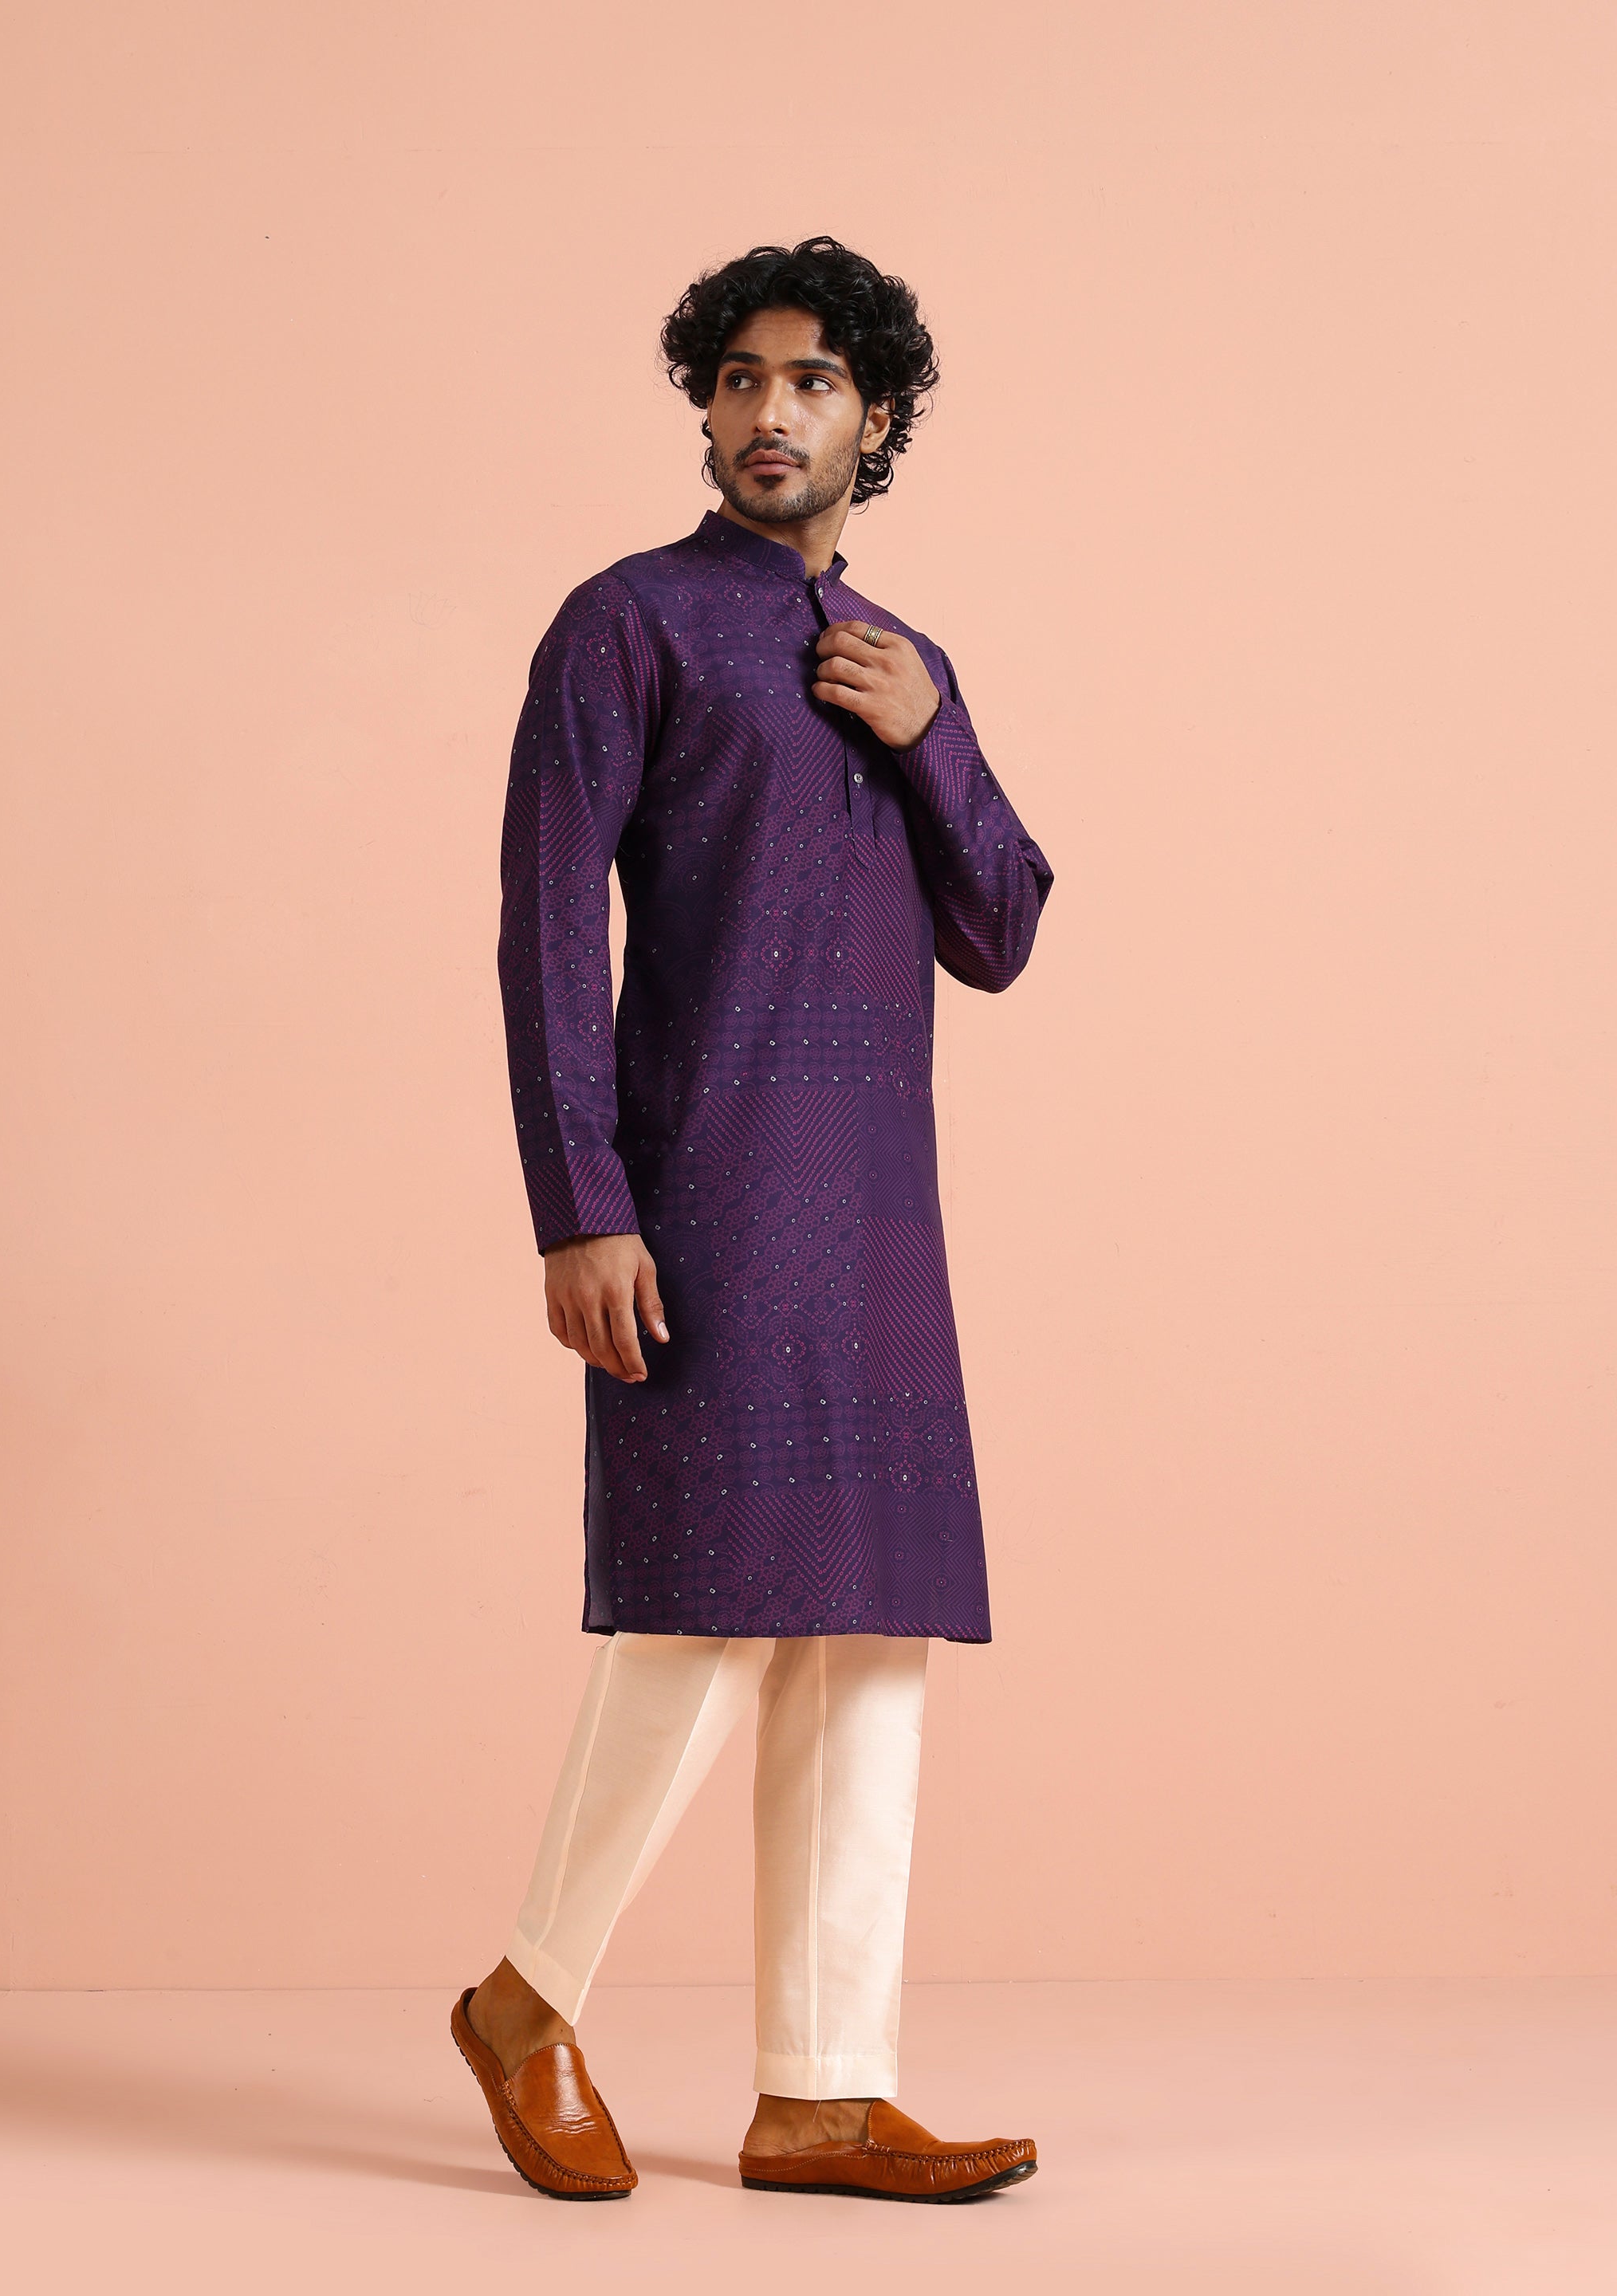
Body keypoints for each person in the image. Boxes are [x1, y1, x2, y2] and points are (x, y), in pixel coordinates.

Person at [454, 235, 1055, 2204]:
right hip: (702, 1193)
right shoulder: (624, 625)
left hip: (876, 1214)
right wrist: (582, 1206)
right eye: (736, 379)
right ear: (704, 410)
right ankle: (529, 1998)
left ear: (877, 420)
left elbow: (1002, 931)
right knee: (702, 1607)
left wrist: (930, 730)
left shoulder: (898, 659)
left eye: (810, 382)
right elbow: (551, 934)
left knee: (870, 1635)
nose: (768, 412)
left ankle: (823, 2089)